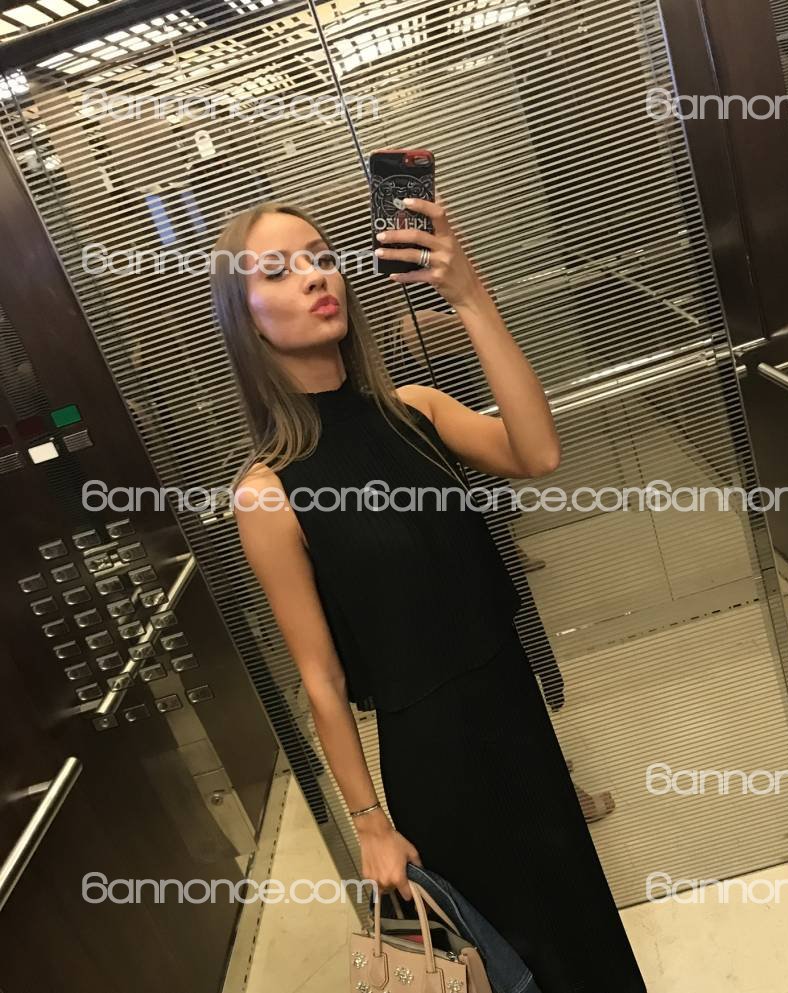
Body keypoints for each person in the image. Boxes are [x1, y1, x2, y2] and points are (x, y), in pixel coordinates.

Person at [211, 194, 647, 992]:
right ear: (247, 322)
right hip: (434, 756)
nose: (314, 276)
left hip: (516, 712)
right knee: (505, 963)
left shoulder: (416, 409)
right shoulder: (266, 494)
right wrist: (370, 824)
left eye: (320, 257)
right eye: (277, 270)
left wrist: (471, 296)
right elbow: (321, 678)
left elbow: (538, 453)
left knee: (582, 929)